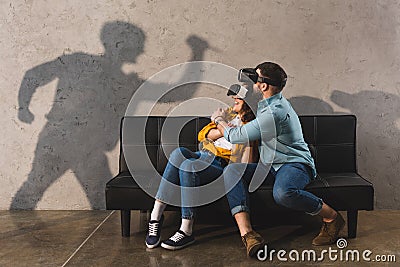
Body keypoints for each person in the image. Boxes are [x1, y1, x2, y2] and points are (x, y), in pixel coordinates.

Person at [211, 62, 345, 257]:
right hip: (270, 166)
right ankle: (248, 235)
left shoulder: (275, 112)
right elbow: (245, 100)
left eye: (255, 80)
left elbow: (235, 136)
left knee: (283, 193)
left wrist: (218, 119)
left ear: (264, 86)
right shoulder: (268, 102)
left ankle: (332, 218)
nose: (250, 84)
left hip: (294, 164)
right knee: (232, 170)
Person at [145, 86, 258, 250]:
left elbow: (248, 163)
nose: (234, 99)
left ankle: (186, 230)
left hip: (220, 163)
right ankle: (155, 217)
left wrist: (227, 127)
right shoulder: (228, 115)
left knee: (188, 166)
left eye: (239, 98)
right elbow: (203, 135)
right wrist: (225, 127)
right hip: (204, 153)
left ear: (249, 102)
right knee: (178, 153)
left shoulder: (252, 125)